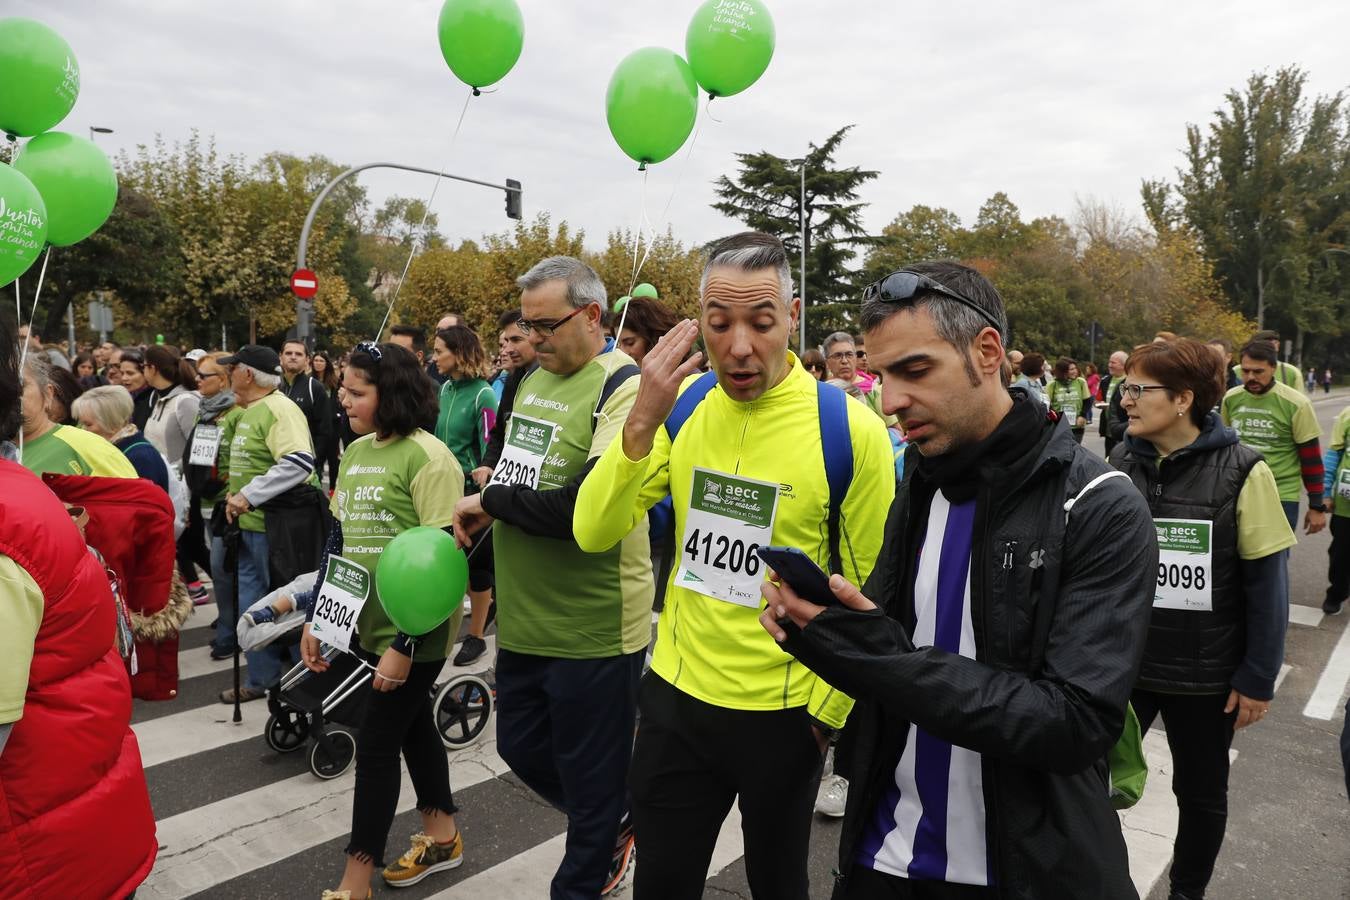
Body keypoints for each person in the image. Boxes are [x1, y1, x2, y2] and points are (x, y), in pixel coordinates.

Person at [759, 260, 1156, 899]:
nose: (890, 402)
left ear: (987, 352)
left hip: (1026, 871)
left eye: (915, 371)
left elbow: (1073, 723)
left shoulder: (1100, 503)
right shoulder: (920, 477)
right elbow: (895, 656)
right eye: (880, 374)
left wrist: (874, 655)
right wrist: (832, 638)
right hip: (882, 855)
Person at [574, 232, 894, 900]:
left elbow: (870, 593)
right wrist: (640, 424)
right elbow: (593, 529)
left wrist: (822, 718)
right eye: (719, 325)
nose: (739, 345)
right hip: (676, 702)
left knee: (778, 884)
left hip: (784, 716)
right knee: (662, 885)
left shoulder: (849, 430)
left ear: (793, 315)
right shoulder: (683, 408)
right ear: (699, 321)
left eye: (761, 322)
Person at [451, 256, 647, 898]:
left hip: (592, 626)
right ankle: (616, 817)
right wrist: (487, 506)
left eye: (545, 326)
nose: (531, 341)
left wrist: (494, 503)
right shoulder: (531, 380)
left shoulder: (624, 386)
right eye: (526, 327)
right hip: (526, 618)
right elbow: (513, 473)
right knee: (521, 749)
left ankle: (595, 849)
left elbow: (578, 509)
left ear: (592, 316)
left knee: (589, 788)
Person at [1110, 338, 1293, 900]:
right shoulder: (1120, 460)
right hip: (1124, 664)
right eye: (1126, 387)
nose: (1126, 400)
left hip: (1204, 674)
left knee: (1202, 793)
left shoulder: (1245, 471)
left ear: (1184, 398)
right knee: (1089, 782)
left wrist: (1257, 676)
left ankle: (1186, 892)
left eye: (1140, 389)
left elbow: (1268, 586)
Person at [300, 341, 467, 899]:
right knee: (414, 730)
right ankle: (442, 836)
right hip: (365, 626)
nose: (342, 398)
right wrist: (319, 618)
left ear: (390, 394)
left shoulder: (430, 458)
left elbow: (442, 561)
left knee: (374, 750)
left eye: (356, 391)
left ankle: (355, 881)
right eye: (343, 389)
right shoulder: (354, 452)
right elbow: (340, 542)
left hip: (414, 635)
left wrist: (405, 644)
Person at [0, 320, 158, 900]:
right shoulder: (16, 481)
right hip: (61, 824)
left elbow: (138, 507)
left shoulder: (68, 455)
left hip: (42, 852)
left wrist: (88, 538)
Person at [221, 344, 320, 703]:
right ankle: (262, 678)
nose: (227, 374)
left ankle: (303, 680)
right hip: (251, 527)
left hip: (278, 529)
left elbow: (298, 462)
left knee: (286, 605)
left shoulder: (280, 409)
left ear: (247, 373)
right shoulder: (250, 409)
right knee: (252, 603)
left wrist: (249, 495)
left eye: (231, 368)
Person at [430, 324, 499, 667]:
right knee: (449, 565)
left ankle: (476, 637)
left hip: (472, 495)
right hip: (443, 492)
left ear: (459, 353)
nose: (434, 356)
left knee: (478, 569)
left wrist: (484, 494)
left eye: (440, 350)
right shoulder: (443, 389)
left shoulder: (484, 394)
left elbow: (490, 448)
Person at [1221, 340, 1325, 535]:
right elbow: (1224, 448)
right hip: (1237, 491)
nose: (1250, 377)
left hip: (1280, 495)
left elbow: (1311, 459)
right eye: (1245, 371)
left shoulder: (1296, 403)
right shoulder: (1231, 398)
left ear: (1273, 368)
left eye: (1258, 372)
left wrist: (1316, 505)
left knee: (1273, 563)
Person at [183, 352, 246, 658]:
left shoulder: (237, 414)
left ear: (222, 380)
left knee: (222, 571)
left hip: (226, 504)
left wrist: (226, 487)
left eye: (203, 375)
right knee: (221, 571)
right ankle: (228, 621)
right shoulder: (203, 412)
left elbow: (241, 462)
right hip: (204, 501)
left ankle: (230, 634)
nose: (196, 380)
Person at [144, 346, 205, 596]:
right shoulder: (159, 399)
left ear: (153, 368)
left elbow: (198, 450)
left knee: (195, 547)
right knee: (184, 546)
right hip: (163, 487)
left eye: (143, 366)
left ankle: (229, 602)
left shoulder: (186, 401)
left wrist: (185, 491)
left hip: (184, 489)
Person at [19, 354, 137, 479]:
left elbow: (137, 496)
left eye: (20, 385)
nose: (6, 393)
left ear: (48, 394)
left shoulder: (92, 449)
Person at [473, 309, 539, 489]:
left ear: (537, 337)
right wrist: (488, 464)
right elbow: (499, 432)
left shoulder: (556, 379)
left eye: (516, 340)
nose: (508, 349)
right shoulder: (513, 380)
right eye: (507, 341)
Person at [72, 385, 172, 492]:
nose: (83, 430)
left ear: (112, 421)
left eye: (88, 424)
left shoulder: (141, 457)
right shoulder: (112, 448)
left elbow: (144, 504)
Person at [280, 338, 333, 469]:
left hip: (305, 465)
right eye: (288, 353)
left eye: (298, 354)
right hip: (274, 462)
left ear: (307, 360)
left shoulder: (315, 388)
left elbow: (325, 430)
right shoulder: (272, 386)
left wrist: (314, 462)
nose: (293, 357)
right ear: (280, 357)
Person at [1320, 402, 1350, 615]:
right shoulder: (1347, 415)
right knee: (1340, 553)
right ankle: (1337, 592)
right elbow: (1333, 455)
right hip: (1345, 506)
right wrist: (1326, 492)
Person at [824, 331, 892, 424]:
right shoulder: (822, 393)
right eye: (837, 356)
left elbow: (895, 430)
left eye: (849, 354)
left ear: (855, 358)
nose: (844, 361)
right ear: (827, 363)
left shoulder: (874, 390)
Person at [616, 295, 680, 365]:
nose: (621, 352)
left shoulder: (688, 374)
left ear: (654, 338)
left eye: (630, 343)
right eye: (617, 345)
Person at [311, 350, 342, 491]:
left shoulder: (334, 382)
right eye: (316, 360)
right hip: (315, 428)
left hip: (333, 427)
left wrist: (337, 414)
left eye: (321, 361)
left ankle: (332, 489)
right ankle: (315, 487)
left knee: (333, 459)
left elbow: (340, 401)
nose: (318, 363)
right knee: (317, 458)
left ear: (326, 363)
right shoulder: (308, 381)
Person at [1230, 330, 1301, 389]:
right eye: (1246, 371)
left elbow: (1299, 401)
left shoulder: (1291, 372)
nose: (1251, 376)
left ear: (1278, 345)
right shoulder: (1235, 371)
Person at [1046, 356, 1090, 443]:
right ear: (1063, 372)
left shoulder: (1081, 382)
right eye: (1071, 369)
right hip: (1058, 426)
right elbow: (1047, 405)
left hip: (1077, 426)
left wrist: (1083, 415)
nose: (1075, 371)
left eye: (1075, 368)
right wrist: (1055, 419)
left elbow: (1087, 401)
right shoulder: (1052, 385)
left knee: (1075, 451)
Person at [1099, 349, 1130, 457]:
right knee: (1109, 456)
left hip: (1122, 428)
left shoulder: (1129, 381)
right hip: (1108, 428)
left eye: (1113, 363)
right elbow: (1098, 399)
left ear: (1123, 365)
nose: (1109, 365)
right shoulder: (1105, 380)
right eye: (1109, 362)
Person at [119, 347, 154, 431]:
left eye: (130, 373)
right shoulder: (121, 398)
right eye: (122, 373)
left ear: (145, 372)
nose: (124, 378)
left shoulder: (153, 400)